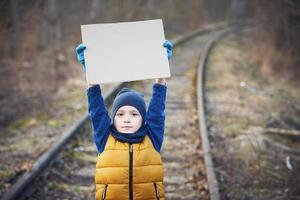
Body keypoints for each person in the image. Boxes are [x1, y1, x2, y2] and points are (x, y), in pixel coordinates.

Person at [75, 39, 173, 200]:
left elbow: (157, 110)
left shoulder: (152, 137)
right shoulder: (105, 137)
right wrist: (91, 76)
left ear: (143, 119)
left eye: (134, 114)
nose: (127, 119)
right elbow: (96, 110)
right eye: (120, 114)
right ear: (113, 118)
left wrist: (161, 76)